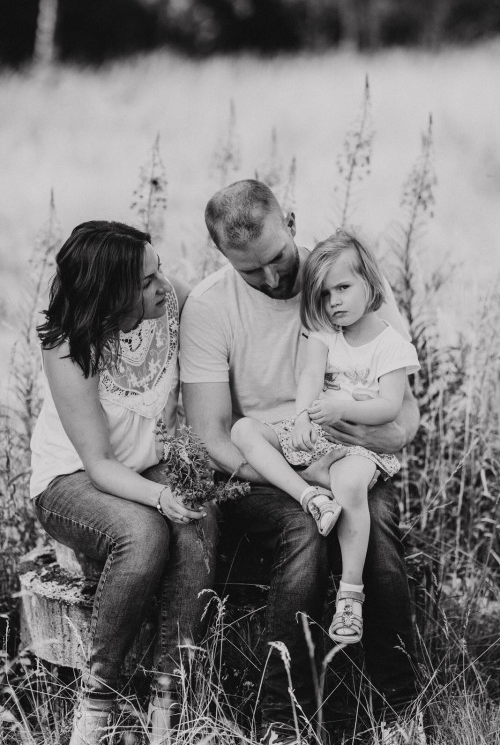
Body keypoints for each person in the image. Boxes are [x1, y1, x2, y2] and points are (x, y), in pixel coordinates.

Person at [180, 180, 425, 744]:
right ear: (223, 257)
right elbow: (215, 436)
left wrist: (366, 442)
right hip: (263, 469)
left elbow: (405, 417)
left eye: (276, 259)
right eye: (251, 271)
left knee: (378, 532)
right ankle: (279, 717)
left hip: (350, 449)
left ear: (290, 220)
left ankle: (397, 706)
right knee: (305, 534)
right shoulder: (210, 308)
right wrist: (295, 478)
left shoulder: (343, 276)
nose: (271, 279)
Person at [29, 221, 218, 745]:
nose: (164, 284)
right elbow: (98, 463)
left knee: (199, 519)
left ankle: (168, 698)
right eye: (146, 280)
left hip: (145, 462)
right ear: (110, 293)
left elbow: (222, 307)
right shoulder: (69, 345)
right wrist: (160, 496)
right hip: (72, 479)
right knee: (143, 532)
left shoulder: (170, 303)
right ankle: (97, 701)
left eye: (159, 269)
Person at [230, 232, 420, 647]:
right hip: (316, 435)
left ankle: (350, 596)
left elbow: (390, 406)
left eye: (343, 288)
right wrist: (301, 416)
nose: (334, 301)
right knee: (244, 430)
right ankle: (309, 497)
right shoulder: (324, 335)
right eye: (325, 293)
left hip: (357, 447)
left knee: (350, 484)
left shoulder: (391, 345)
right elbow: (310, 377)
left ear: (370, 282)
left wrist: (341, 409)